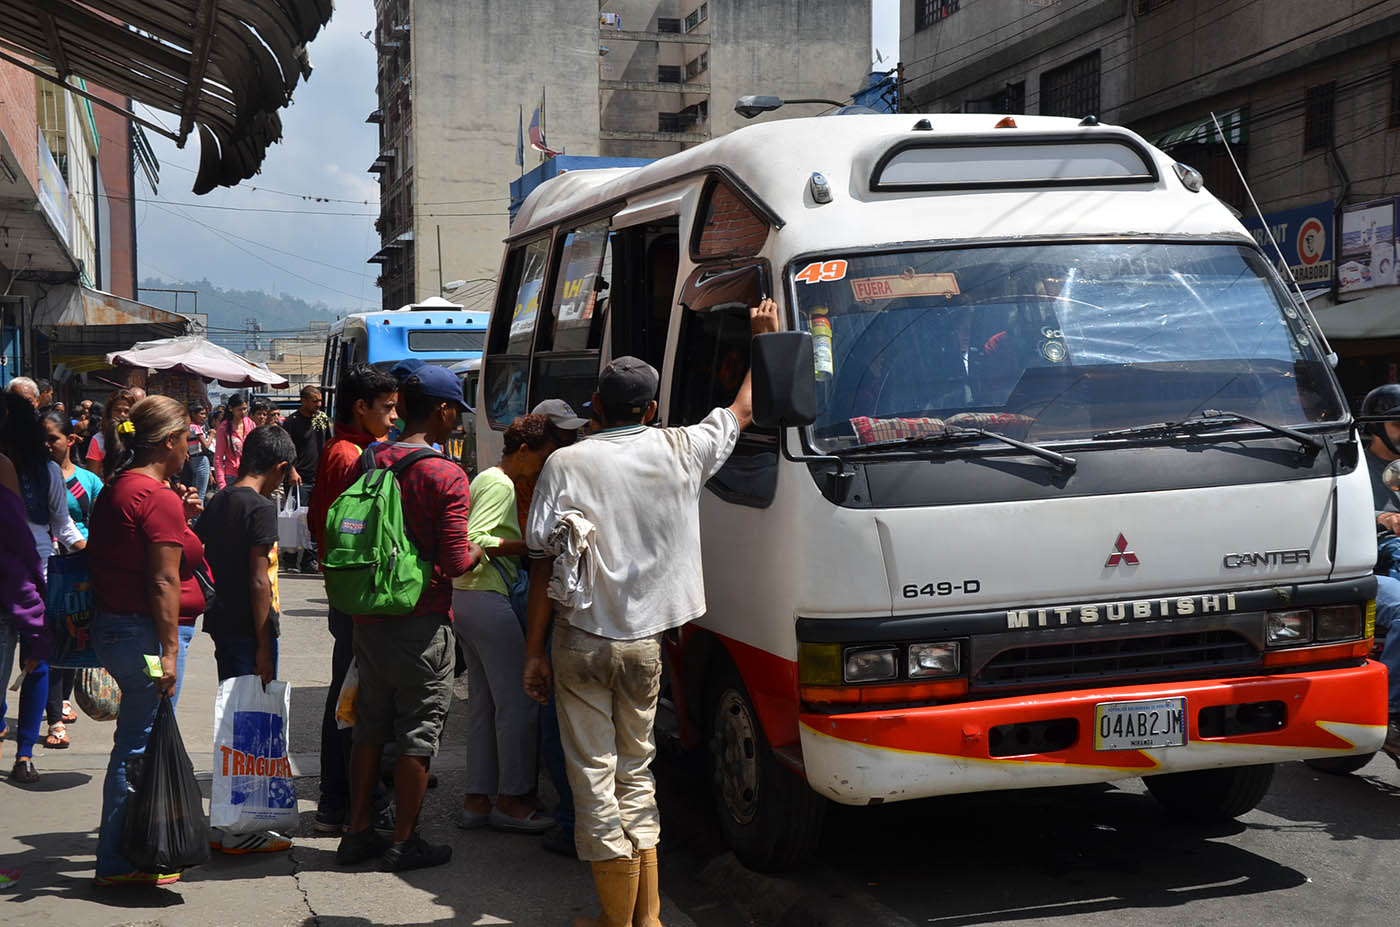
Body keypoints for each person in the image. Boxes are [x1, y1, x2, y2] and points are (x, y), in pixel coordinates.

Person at [522, 299, 779, 926]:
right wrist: (763, 339)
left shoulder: (566, 461)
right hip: (646, 647)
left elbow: (539, 555)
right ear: (653, 409)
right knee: (638, 773)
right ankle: (649, 920)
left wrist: (533, 651)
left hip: (581, 641)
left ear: (596, 410)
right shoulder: (680, 448)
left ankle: (619, 923)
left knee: (594, 781)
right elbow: (743, 408)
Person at [335, 366, 482, 873]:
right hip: (422, 621)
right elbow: (458, 560)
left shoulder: (371, 458)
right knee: (419, 732)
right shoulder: (446, 474)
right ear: (441, 410)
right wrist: (483, 548)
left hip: (370, 616)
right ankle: (403, 840)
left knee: (370, 727)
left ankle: (357, 831)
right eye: (455, 413)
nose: (457, 424)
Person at [86, 396, 205, 887]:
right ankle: (119, 861)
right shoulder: (153, 496)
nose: (191, 448)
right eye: (188, 439)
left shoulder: (123, 487)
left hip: (119, 629)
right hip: (145, 639)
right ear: (170, 441)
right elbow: (162, 582)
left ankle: (136, 847)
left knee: (141, 739)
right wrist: (170, 653)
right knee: (136, 747)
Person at [452, 413, 558, 835]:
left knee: (484, 706)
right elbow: (476, 539)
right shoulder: (498, 482)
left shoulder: (486, 479)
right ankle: (512, 799)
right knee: (518, 703)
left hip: (467, 598)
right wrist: (533, 547)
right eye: (542, 458)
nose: (543, 467)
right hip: (485, 594)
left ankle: (478, 799)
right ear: (524, 451)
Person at [195, 424, 295, 855]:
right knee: (251, 727)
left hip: (221, 621)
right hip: (248, 628)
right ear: (279, 467)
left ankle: (227, 822)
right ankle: (241, 826)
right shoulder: (259, 508)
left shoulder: (219, 501)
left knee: (233, 720)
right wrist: (262, 644)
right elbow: (259, 580)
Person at [308, 364, 399, 835]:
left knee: (344, 695)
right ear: (360, 407)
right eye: (386, 408)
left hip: (345, 590)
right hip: (354, 594)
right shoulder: (350, 455)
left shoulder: (347, 448)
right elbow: (354, 534)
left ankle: (334, 801)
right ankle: (344, 802)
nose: (394, 418)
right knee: (351, 701)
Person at [0, 395, 85, 784]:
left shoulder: (46, 471)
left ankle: (24, 753)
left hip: (37, 578)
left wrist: (87, 553)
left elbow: (62, 525)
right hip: (17, 578)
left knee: (37, 665)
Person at [40, 409, 103, 748]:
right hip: (48, 565)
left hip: (79, 565)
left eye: (54, 439)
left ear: (71, 440)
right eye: (44, 439)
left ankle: (63, 698)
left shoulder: (86, 481)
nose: (48, 445)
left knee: (75, 633)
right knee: (53, 640)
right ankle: (53, 716)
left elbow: (101, 517)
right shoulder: (33, 477)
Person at [1357, 383, 1400, 765]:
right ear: (1376, 427)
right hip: (1371, 569)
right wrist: (1381, 517)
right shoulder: (1351, 467)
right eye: (1398, 424)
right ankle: (1392, 710)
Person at [284, 386, 329, 572]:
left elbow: (327, 445)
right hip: (298, 479)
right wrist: (292, 471)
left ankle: (309, 560)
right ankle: (290, 559)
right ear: (303, 400)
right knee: (293, 519)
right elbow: (286, 450)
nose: (318, 405)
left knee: (312, 520)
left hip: (316, 477)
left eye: (320, 401)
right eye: (314, 401)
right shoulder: (291, 422)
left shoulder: (321, 419)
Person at [85, 387, 136, 481]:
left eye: (127, 411)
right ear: (109, 412)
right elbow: (93, 477)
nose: (122, 415)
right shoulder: (99, 439)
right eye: (117, 410)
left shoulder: (140, 437)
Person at [214, 393, 253, 491]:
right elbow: (218, 458)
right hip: (231, 476)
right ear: (231, 408)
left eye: (245, 409)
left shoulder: (250, 424)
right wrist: (221, 484)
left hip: (249, 474)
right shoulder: (223, 428)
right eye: (239, 409)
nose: (243, 412)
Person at [183, 404, 215, 503]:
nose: (204, 417)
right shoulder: (196, 428)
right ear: (193, 414)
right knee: (200, 494)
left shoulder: (187, 427)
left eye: (205, 414)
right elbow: (206, 446)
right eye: (201, 414)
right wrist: (211, 435)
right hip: (200, 460)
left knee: (195, 492)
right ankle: (197, 517)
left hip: (192, 460)